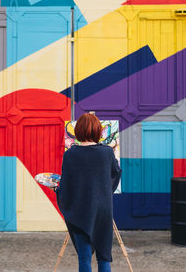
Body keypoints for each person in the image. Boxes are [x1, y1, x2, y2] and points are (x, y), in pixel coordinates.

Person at [55, 113, 122, 272]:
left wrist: (57, 190)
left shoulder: (70, 154)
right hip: (102, 211)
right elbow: (115, 174)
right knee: (104, 258)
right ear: (98, 131)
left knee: (84, 258)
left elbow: (66, 186)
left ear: (78, 131)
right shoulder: (107, 152)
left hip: (81, 212)